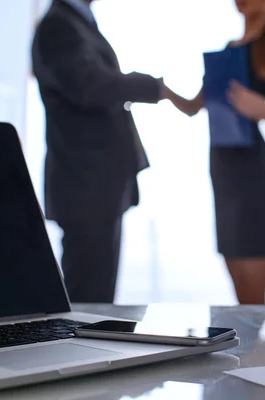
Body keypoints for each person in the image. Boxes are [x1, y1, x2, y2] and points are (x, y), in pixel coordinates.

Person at [31, 0, 166, 303]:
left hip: (97, 186)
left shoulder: (76, 21)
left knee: (96, 302)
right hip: (85, 186)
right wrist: (154, 88)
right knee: (88, 306)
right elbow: (90, 85)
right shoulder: (59, 25)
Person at [163, 0, 265, 305]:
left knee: (254, 298)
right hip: (223, 172)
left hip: (254, 174)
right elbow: (194, 107)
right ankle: (250, 351)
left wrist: (261, 110)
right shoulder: (227, 51)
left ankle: (262, 351)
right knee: (238, 289)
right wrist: (162, 90)